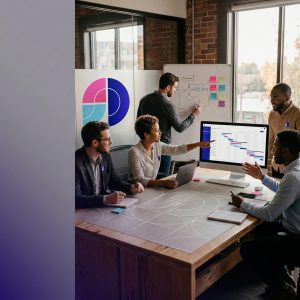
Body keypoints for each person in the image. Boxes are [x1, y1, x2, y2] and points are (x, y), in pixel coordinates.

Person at [230, 129, 300, 299]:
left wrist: (243, 204)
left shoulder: (292, 176)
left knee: (248, 250)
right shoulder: (296, 169)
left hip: (297, 238)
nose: (271, 151)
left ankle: (283, 289)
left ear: (285, 151)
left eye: (275, 146)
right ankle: (284, 276)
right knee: (259, 230)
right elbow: (283, 191)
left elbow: (269, 213)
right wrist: (262, 177)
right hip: (293, 228)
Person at [137, 72, 201, 178]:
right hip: (163, 149)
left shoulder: (144, 100)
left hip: (145, 147)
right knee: (162, 180)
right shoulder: (168, 104)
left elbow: (138, 122)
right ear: (168, 87)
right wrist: (193, 115)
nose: (175, 90)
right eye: (175, 87)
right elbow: (180, 127)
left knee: (148, 179)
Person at [128, 115, 213, 189]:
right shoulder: (134, 152)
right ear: (146, 135)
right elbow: (140, 180)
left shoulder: (157, 145)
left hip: (151, 189)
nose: (160, 133)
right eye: (156, 131)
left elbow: (176, 149)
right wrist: (162, 183)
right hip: (138, 192)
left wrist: (198, 144)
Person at [75, 121, 144, 208]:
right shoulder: (75, 162)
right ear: (95, 143)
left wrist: (131, 187)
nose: (111, 142)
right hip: (81, 213)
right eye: (107, 139)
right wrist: (106, 199)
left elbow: (114, 181)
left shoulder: (105, 157)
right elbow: (76, 199)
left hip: (100, 209)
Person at [268, 83, 300, 178]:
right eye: (271, 97)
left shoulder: (298, 114)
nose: (272, 101)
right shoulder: (272, 114)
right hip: (275, 166)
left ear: (286, 98)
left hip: (292, 169)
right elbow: (271, 140)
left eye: (276, 98)